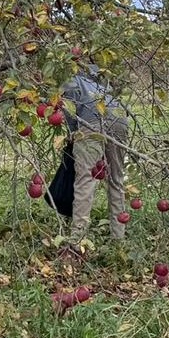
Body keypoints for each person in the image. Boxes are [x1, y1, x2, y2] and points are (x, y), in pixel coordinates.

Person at [62, 66, 129, 242]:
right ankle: (118, 237)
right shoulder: (101, 81)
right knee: (116, 179)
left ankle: (77, 238)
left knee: (85, 180)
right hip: (119, 121)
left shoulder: (70, 80)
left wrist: (72, 134)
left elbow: (69, 113)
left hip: (91, 124)